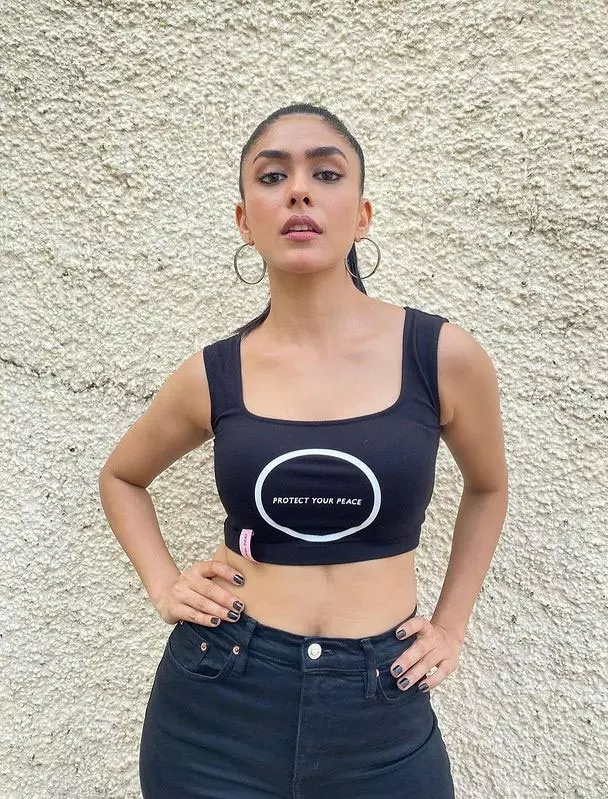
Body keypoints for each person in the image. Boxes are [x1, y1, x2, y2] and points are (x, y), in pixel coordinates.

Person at [98, 102, 508, 799]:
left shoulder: (440, 356)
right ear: (244, 220)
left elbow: (490, 486)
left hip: (381, 699)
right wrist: (164, 584)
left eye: (325, 173)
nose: (298, 191)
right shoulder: (214, 373)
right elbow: (122, 477)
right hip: (218, 697)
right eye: (271, 176)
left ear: (363, 215)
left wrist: (451, 625)